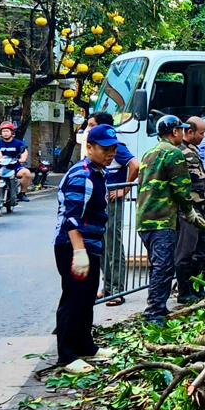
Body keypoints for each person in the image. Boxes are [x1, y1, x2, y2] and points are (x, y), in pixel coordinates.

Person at [52, 124, 118, 374]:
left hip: (91, 244)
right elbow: (72, 218)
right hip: (73, 245)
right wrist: (79, 252)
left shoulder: (98, 171)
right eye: (105, 149)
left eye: (113, 149)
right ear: (89, 148)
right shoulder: (82, 175)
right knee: (73, 298)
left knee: (87, 297)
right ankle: (67, 356)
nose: (110, 153)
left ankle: (85, 346)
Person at [136, 115, 196, 326]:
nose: (182, 133)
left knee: (158, 265)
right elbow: (181, 188)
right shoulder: (174, 153)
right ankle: (154, 314)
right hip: (162, 219)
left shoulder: (149, 152)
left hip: (144, 218)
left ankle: (158, 306)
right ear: (174, 132)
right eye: (181, 129)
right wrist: (189, 210)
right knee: (163, 266)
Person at [85, 111, 140, 307]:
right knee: (102, 245)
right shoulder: (94, 151)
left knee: (113, 245)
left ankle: (118, 289)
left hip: (112, 201)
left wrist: (124, 189)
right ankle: (107, 287)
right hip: (100, 201)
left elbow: (135, 165)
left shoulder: (117, 148)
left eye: (92, 125)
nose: (88, 129)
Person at [174, 117, 205, 304]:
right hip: (189, 211)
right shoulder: (179, 152)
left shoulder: (193, 151)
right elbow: (179, 181)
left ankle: (198, 286)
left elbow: (195, 174)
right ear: (190, 132)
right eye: (201, 133)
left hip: (203, 209)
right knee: (186, 252)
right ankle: (185, 292)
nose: (203, 136)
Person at [0, 121, 33, 201]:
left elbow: (24, 151)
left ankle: (22, 193)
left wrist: (22, 159)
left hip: (14, 166)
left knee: (27, 173)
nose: (5, 133)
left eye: (7, 131)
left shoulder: (18, 143)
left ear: (12, 132)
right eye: (3, 131)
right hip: (0, 167)